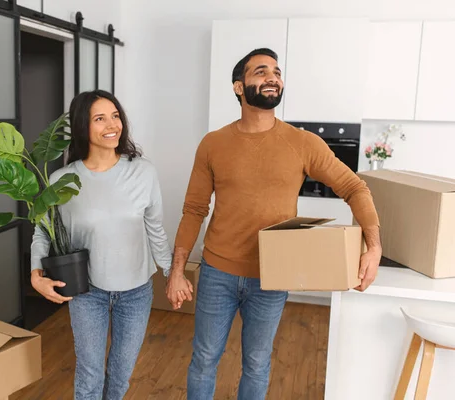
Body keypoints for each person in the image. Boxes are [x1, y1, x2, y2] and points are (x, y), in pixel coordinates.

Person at [166, 48, 382, 400]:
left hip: (273, 275)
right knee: (204, 359)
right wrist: (177, 271)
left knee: (257, 361)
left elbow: (354, 186)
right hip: (216, 272)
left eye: (277, 72)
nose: (273, 77)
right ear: (239, 87)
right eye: (261, 71)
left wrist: (374, 246)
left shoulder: (302, 143)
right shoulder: (213, 144)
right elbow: (194, 210)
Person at [30, 90, 172, 400]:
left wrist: (172, 273)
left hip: (136, 292)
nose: (112, 124)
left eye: (116, 115)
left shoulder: (143, 171)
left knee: (120, 375)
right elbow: (43, 232)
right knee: (90, 377)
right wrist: (35, 272)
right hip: (87, 291)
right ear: (83, 126)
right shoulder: (62, 180)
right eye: (100, 118)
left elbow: (155, 228)